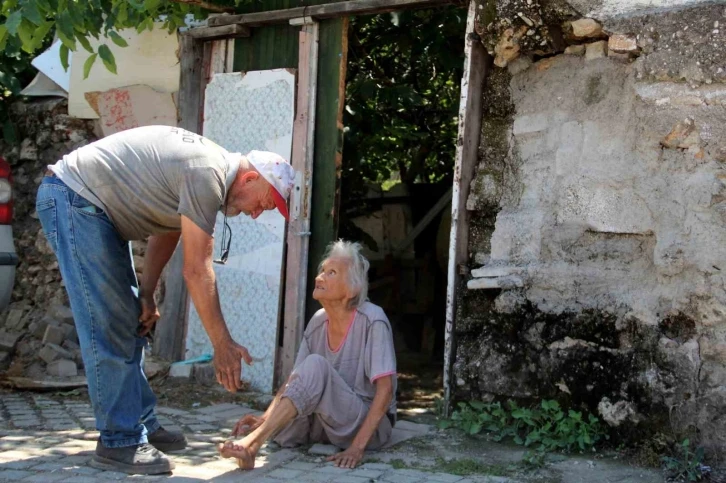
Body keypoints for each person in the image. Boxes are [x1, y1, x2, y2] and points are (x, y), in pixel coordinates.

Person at [35, 125, 295, 475]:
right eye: (262, 204)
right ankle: (119, 440)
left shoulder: (206, 174)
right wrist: (222, 345)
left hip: (92, 209)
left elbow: (167, 229)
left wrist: (146, 293)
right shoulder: (207, 174)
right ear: (249, 179)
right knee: (109, 325)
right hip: (75, 199)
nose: (254, 214)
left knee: (130, 319)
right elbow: (196, 271)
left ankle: (139, 422)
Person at [218, 240, 397, 470]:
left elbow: (385, 390)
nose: (319, 277)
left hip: (368, 426)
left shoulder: (373, 320)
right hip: (327, 420)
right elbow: (295, 382)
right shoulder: (318, 322)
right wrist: (266, 417)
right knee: (283, 429)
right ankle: (258, 434)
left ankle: (251, 446)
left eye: (331, 273)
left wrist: (356, 448)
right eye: (322, 271)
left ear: (352, 289)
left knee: (316, 365)